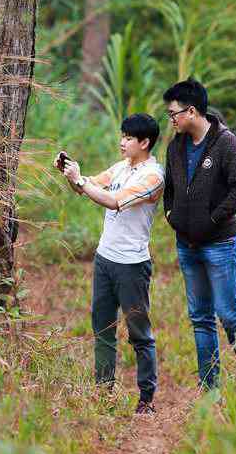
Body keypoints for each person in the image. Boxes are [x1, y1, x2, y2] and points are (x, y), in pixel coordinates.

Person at [54, 112, 164, 415]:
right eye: (122, 136)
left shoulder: (153, 177)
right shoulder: (121, 167)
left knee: (139, 331)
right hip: (105, 259)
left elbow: (114, 201)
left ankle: (146, 398)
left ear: (145, 142)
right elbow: (91, 186)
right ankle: (103, 391)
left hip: (131, 265)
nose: (122, 142)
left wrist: (81, 182)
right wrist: (73, 174)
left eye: (128, 138)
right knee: (102, 326)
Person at [163, 79, 236, 389]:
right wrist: (170, 215)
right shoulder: (176, 147)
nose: (172, 120)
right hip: (187, 245)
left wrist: (213, 219)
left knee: (228, 314)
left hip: (219, 243)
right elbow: (170, 189)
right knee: (200, 319)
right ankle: (210, 389)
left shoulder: (225, 143)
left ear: (191, 111)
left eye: (174, 113)